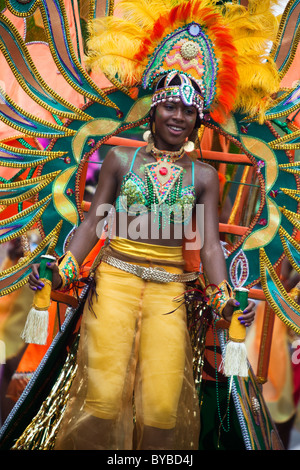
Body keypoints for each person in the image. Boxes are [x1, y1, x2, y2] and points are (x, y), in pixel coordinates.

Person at [27, 73, 255, 451]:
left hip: (169, 290)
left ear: (198, 119)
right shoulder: (119, 159)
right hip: (116, 279)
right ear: (153, 110)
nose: (178, 116)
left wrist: (223, 299)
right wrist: (64, 269)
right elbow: (93, 222)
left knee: (163, 407)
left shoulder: (205, 176)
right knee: (102, 397)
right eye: (169, 106)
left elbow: (211, 247)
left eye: (187, 110)